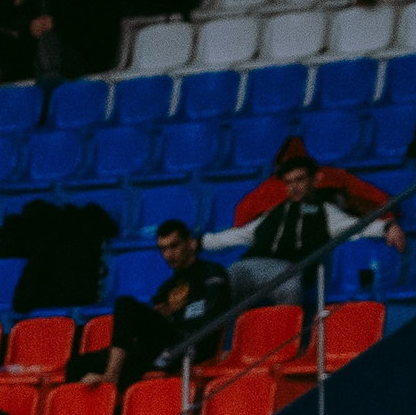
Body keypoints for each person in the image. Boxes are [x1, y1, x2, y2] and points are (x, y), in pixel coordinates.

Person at [205, 151, 396, 303]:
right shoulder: (274, 213)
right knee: (218, 283)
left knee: (290, 283)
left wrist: (387, 227)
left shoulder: (324, 211)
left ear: (315, 180)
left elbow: (356, 227)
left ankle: (286, 347)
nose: (293, 187)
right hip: (251, 266)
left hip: (290, 269)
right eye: (289, 182)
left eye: (299, 180)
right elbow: (238, 235)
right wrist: (201, 242)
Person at [80, 221, 234, 385]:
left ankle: (112, 376)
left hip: (191, 345)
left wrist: (174, 317)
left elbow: (215, 314)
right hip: (163, 346)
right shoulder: (166, 288)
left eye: (174, 246)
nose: (169, 254)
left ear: (190, 242)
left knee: (125, 304)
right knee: (80, 365)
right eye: (163, 249)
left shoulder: (211, 272)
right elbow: (156, 324)